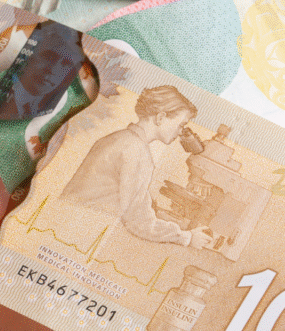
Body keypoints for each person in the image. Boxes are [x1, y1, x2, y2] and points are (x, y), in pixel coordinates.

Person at [61, 85, 212, 248]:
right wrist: (186, 237)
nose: (180, 131)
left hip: (68, 220)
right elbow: (137, 220)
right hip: (80, 233)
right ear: (160, 117)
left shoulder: (118, 138)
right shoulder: (136, 151)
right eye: (181, 125)